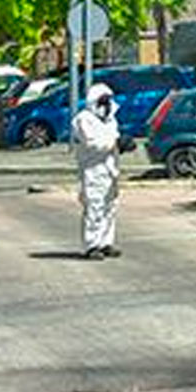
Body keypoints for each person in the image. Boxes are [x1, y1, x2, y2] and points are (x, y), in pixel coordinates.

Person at [73, 83, 121, 260]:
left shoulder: (110, 119)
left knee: (110, 207)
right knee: (94, 207)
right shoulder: (83, 119)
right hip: (92, 170)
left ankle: (106, 242)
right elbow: (93, 144)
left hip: (110, 169)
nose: (107, 105)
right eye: (103, 101)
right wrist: (115, 143)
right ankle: (91, 245)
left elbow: (113, 137)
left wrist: (121, 144)